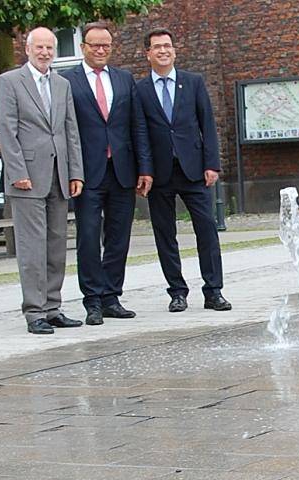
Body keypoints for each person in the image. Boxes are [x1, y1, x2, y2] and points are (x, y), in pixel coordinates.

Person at [60, 22, 153, 326]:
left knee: (118, 237)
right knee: (88, 237)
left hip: (122, 171)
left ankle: (112, 296)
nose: (101, 50)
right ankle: (92, 300)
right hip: (87, 173)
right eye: (94, 45)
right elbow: (65, 130)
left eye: (106, 45)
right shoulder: (67, 82)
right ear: (82, 47)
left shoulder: (125, 79)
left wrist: (145, 168)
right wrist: (72, 170)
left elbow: (137, 126)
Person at [0, 27, 85, 335]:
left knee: (57, 244)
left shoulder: (61, 84)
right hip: (28, 179)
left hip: (59, 175)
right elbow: (6, 131)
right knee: (32, 247)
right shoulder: (9, 82)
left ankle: (53, 306)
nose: (45, 52)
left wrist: (76, 172)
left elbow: (70, 130)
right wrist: (17, 172)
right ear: (27, 49)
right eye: (40, 47)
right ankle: (34, 311)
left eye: (50, 47)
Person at [135, 28, 231, 313]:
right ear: (148, 54)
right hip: (159, 174)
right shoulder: (139, 90)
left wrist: (212, 163)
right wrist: (144, 170)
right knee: (165, 234)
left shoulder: (193, 83)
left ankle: (213, 291)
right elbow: (139, 133)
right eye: (157, 47)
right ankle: (177, 291)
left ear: (174, 51)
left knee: (207, 230)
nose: (163, 51)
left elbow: (208, 125)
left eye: (167, 46)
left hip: (194, 170)